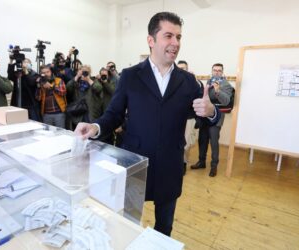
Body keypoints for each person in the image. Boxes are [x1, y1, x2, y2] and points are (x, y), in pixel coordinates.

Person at [74, 12, 220, 236]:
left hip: (170, 167)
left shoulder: (188, 81)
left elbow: (203, 114)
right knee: (128, 225)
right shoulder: (130, 76)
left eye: (179, 37)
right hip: (135, 163)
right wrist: (95, 127)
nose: (175, 43)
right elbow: (114, 113)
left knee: (164, 229)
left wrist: (211, 112)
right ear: (151, 40)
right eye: (168, 36)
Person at [191, 63, 233, 177]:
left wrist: (218, 90)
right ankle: (201, 162)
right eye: (215, 70)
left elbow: (226, 101)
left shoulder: (226, 85)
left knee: (214, 142)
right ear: (212, 71)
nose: (217, 72)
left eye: (219, 70)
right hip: (205, 117)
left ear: (222, 72)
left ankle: (214, 166)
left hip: (217, 118)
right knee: (202, 139)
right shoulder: (208, 82)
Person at [177, 60, 200, 175]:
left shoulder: (192, 82)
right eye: (179, 68)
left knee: (186, 144)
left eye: (183, 68)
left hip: (188, 118)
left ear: (187, 69)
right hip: (175, 118)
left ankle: (184, 163)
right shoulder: (172, 82)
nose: (181, 70)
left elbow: (198, 96)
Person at [66, 65, 103, 130]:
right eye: (83, 71)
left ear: (90, 73)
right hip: (78, 110)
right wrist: (77, 76)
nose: (84, 73)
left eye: (86, 72)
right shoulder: (76, 82)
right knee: (77, 130)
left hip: (89, 112)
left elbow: (98, 88)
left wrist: (88, 79)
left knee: (88, 131)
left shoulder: (93, 80)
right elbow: (68, 88)